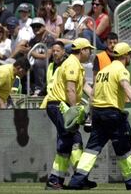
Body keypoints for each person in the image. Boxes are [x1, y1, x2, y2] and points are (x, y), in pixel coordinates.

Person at [68, 42, 131, 190]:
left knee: (91, 149)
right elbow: (126, 86)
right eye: (130, 54)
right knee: (124, 148)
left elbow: (93, 95)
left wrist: (90, 116)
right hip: (113, 114)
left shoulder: (102, 72)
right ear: (125, 55)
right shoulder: (121, 70)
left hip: (98, 114)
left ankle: (77, 180)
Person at [45, 38, 96, 190]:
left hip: (60, 106)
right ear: (82, 50)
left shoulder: (75, 64)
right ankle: (56, 179)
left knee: (74, 140)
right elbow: (70, 89)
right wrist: (74, 110)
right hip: (60, 105)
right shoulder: (73, 64)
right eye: (89, 49)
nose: (91, 52)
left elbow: (84, 86)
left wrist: (95, 96)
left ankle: (79, 177)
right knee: (68, 141)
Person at [3, 109, 48, 182]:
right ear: (14, 122)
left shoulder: (39, 149)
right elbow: (7, 181)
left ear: (27, 121)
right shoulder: (8, 151)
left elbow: (43, 179)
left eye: (23, 120)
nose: (21, 124)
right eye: (18, 120)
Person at [26, 17, 55, 96]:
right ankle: (26, 89)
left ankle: (39, 88)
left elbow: (47, 56)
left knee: (39, 62)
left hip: (48, 65)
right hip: (34, 64)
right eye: (33, 26)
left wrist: (32, 53)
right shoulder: (32, 41)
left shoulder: (49, 39)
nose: (35, 28)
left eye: (38, 26)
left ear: (44, 27)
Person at [40, 41, 67, 108]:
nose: (55, 53)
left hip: (61, 100)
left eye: (57, 51)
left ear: (63, 51)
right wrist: (38, 94)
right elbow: (47, 84)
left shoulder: (66, 65)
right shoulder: (50, 66)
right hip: (50, 99)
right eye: (53, 51)